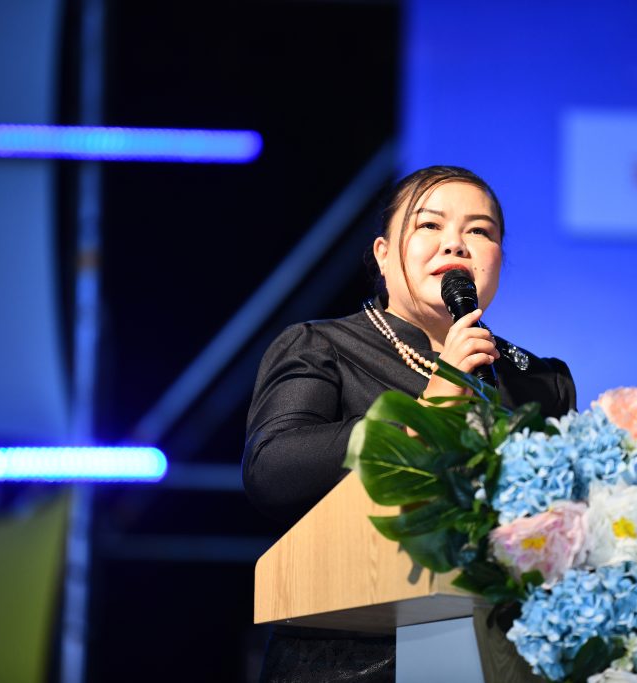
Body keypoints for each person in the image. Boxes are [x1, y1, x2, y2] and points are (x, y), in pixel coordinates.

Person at [242, 165, 576, 682]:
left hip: (504, 655)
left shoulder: (540, 382)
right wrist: (425, 414)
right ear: (383, 254)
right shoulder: (323, 347)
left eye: (479, 231)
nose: (455, 244)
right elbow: (273, 470)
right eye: (429, 225)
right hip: (351, 658)